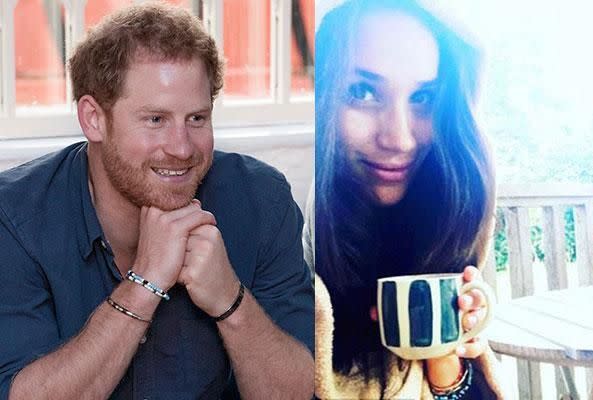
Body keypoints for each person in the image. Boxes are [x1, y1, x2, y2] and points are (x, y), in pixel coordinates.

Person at [0, 3, 314, 399]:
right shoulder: (14, 218)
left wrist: (230, 300)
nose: (182, 148)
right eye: (155, 120)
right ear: (93, 118)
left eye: (197, 118)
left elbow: (299, 393)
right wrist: (144, 285)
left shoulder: (260, 200)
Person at [304, 0, 505, 398]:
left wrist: (446, 352)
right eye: (362, 92)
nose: (399, 138)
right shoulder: (282, 233)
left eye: (423, 98)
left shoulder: (444, 213)